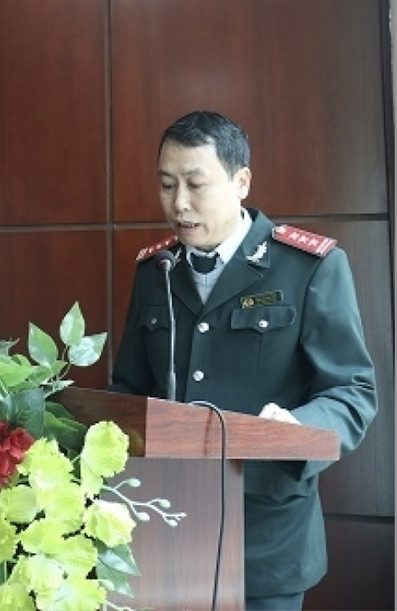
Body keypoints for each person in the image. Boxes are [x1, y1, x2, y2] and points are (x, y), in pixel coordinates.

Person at [108, 110, 378, 611]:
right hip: (166, 525)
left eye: (195, 184)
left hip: (266, 536)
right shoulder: (156, 270)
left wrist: (295, 429)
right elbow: (129, 389)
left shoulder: (307, 267)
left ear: (241, 182)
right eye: (166, 185)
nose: (179, 203)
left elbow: (352, 393)